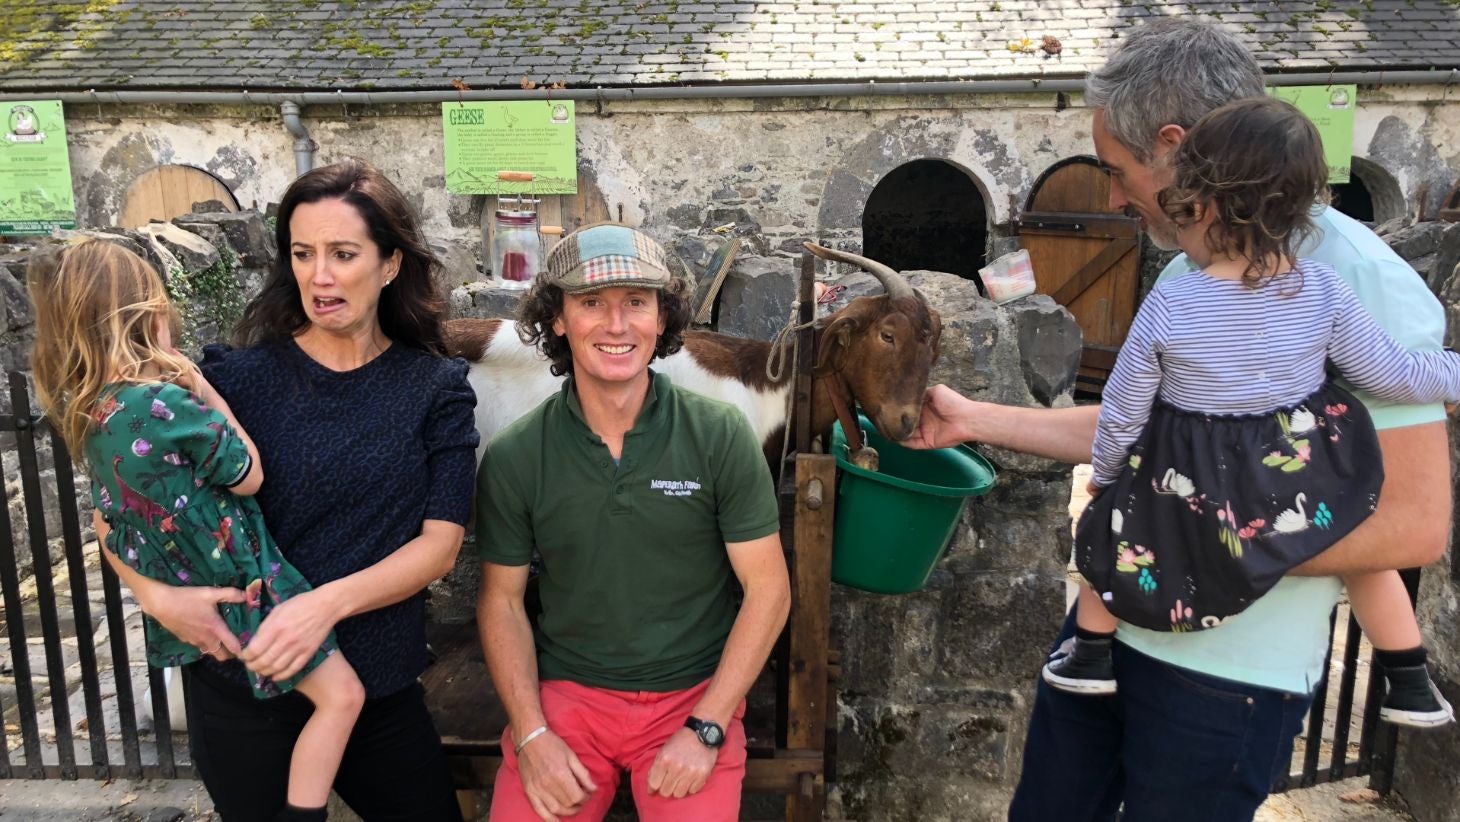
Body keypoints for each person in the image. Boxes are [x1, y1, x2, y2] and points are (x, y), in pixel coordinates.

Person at [907, 19, 1453, 820]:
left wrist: (1169, 531)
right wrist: (973, 419)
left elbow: (1410, 527)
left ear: (1175, 145)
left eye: (1119, 171)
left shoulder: (1359, 281)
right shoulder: (1196, 266)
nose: (1117, 197)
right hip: (1117, 633)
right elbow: (1155, 434)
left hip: (1230, 680)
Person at [1044, 96, 1456, 733]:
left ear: (1202, 205)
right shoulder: (1324, 289)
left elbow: (1125, 406)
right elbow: (1393, 374)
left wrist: (1104, 472)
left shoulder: (1176, 299)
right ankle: (1409, 681)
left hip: (1196, 466)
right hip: (1294, 466)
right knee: (1363, 556)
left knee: (1106, 531)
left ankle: (1089, 655)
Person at [99, 159, 476, 820]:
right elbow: (119, 514)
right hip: (242, 689)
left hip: (376, 686)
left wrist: (320, 607)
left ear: (390, 264)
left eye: (342, 253)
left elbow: (439, 547)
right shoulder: (230, 380)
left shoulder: (435, 389)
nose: (319, 275)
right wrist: (158, 598)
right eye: (303, 253)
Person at [28, 240, 367, 821]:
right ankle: (305, 812)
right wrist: (200, 387)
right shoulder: (164, 403)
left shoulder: (92, 412)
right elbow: (248, 474)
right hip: (248, 587)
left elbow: (110, 517)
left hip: (188, 593)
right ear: (147, 316)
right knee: (342, 697)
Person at [475, 223, 791, 822]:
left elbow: (769, 590)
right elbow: (503, 603)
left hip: (694, 696)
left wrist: (707, 726)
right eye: (592, 303)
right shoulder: (518, 454)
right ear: (558, 320)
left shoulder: (718, 433)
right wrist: (531, 734)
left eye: (637, 304)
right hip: (568, 701)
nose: (616, 325)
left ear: (662, 320)